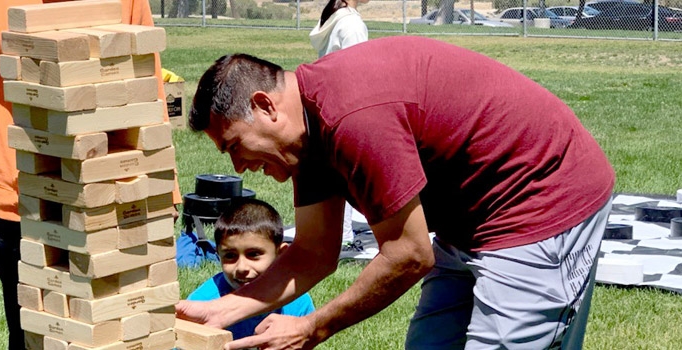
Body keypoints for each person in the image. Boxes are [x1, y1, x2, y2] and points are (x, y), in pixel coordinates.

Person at [177, 36, 614, 350]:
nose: (237, 167)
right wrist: (222, 311)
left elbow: (409, 254)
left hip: (541, 201)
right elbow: (313, 252)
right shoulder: (305, 137)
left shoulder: (352, 118)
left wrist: (313, 326)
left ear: (265, 106)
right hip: (469, 219)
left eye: (235, 145)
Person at [0, 0, 180, 348]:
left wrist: (163, 187)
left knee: (120, 334)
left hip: (110, 196)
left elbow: (147, 85)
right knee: (35, 337)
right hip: (24, 203)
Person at [187, 198, 315, 340]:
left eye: (253, 254)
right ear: (218, 254)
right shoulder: (203, 302)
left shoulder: (297, 301)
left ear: (281, 254)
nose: (242, 267)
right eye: (230, 256)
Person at [309, 0, 369, 253]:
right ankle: (343, 238)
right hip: (348, 107)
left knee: (340, 174)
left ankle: (339, 233)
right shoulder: (351, 23)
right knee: (349, 176)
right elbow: (360, 71)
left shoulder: (335, 18)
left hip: (331, 103)